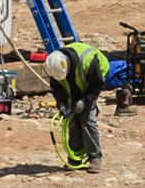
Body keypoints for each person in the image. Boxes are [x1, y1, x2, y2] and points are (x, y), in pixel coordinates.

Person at [43, 41, 131, 174]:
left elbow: (96, 85)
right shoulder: (54, 66)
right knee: (72, 120)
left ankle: (95, 158)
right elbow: (58, 89)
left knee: (87, 119)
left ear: (67, 65)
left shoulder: (88, 61)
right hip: (77, 83)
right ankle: (74, 158)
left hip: (94, 80)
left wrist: (85, 101)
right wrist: (61, 105)